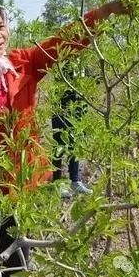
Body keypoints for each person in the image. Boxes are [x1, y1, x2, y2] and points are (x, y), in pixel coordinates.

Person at [0, 0, 130, 277]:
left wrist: (103, 13)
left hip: (20, 187)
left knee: (15, 270)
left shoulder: (23, 63)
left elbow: (64, 42)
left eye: (1, 26)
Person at [51, 63, 92, 198]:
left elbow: (90, 87)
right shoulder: (66, 66)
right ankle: (57, 183)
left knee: (74, 147)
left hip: (78, 115)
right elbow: (60, 91)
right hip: (61, 113)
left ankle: (75, 181)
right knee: (59, 148)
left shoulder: (86, 65)